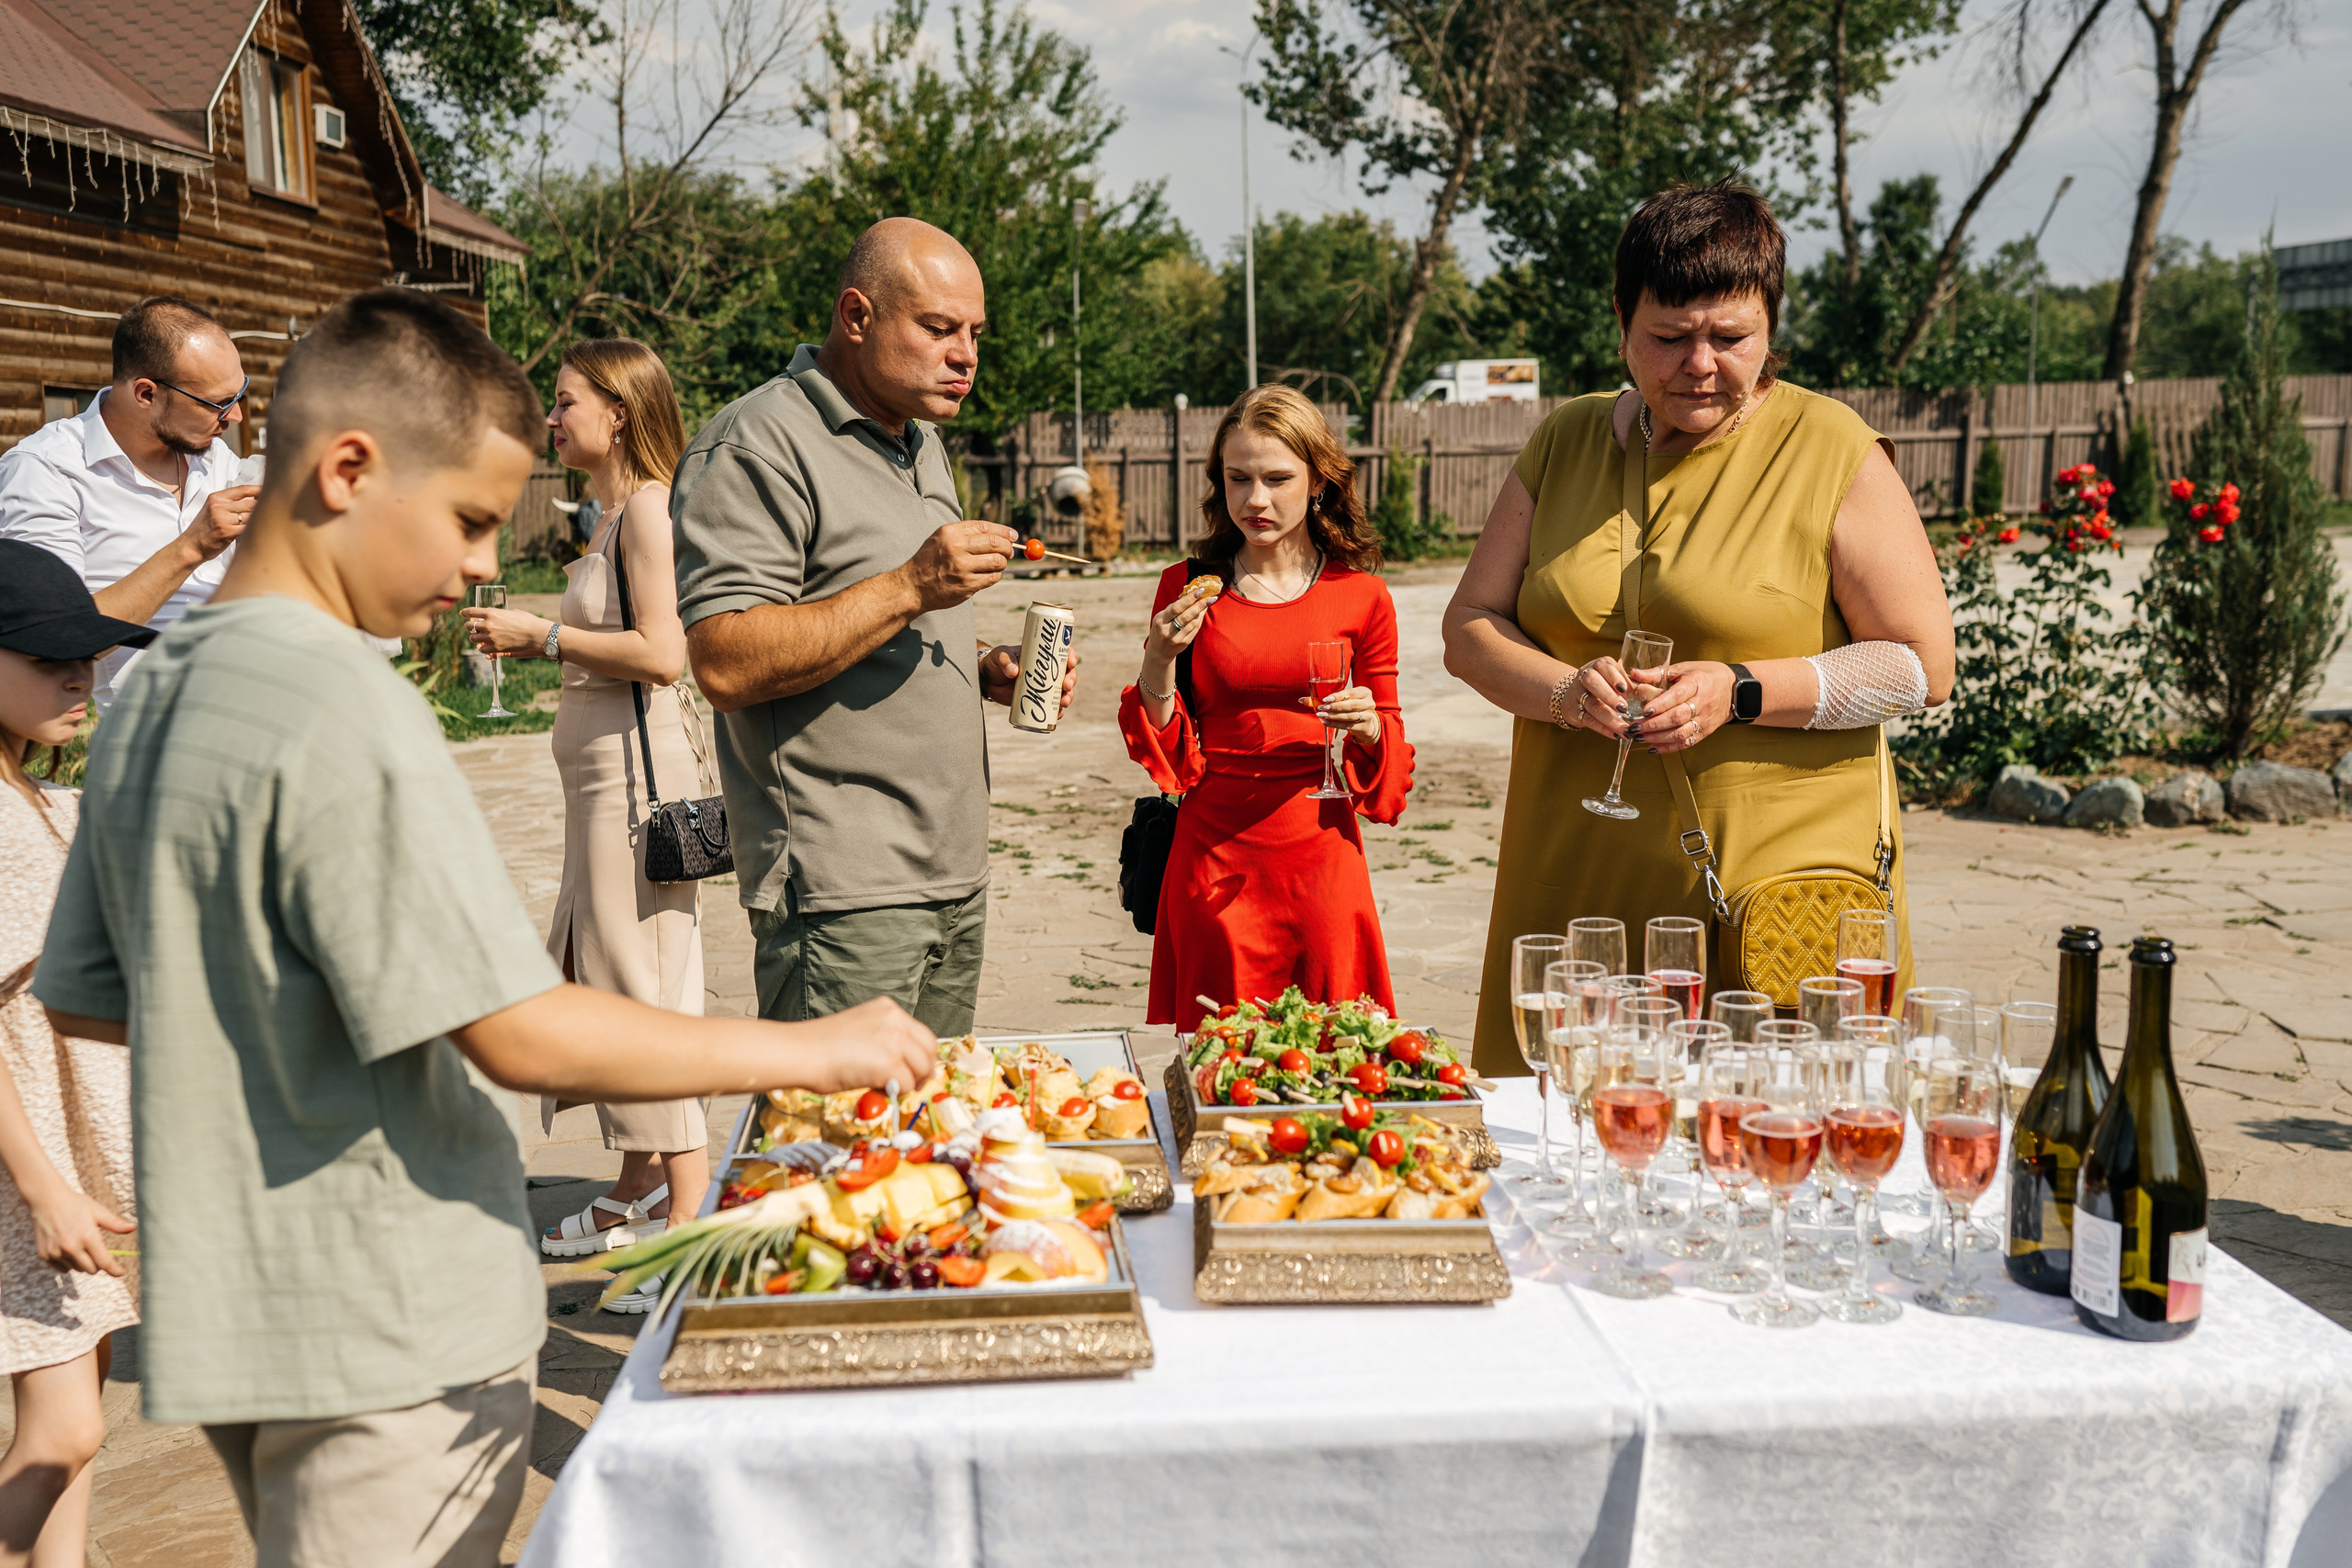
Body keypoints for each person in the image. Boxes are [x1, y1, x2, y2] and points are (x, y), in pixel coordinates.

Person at [31, 289, 936, 1566]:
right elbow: (520, 1030)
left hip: (240, 1313)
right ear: (350, 468)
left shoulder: (159, 686)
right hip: (396, 1317)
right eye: (464, 519)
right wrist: (814, 1049)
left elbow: (88, 999)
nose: (474, 565)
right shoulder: (342, 697)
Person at [1442, 180, 1955, 1075]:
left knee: (1763, 1153)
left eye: (1730, 338)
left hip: (1762, 894)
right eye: (1668, 339)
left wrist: (1743, 690)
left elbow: (1921, 667)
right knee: (1576, 1164)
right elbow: (1469, 626)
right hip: (1573, 879)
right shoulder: (1564, 442)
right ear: (1621, 323)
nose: (1700, 364)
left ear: (1771, 328)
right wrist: (1563, 692)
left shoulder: (1830, 448)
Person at [674, 217, 1073, 1037]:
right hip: (843, 893)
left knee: (930, 1147)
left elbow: (891, 619)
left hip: (953, 875)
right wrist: (912, 584)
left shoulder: (919, 442)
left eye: (974, 333)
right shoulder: (757, 445)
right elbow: (724, 659)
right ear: (856, 317)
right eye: (937, 328)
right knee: (838, 1153)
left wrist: (982, 663)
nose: (965, 354)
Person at [464, 340, 711, 1297]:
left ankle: (688, 1226)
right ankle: (638, 1183)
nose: (552, 419)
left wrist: (545, 635)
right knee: (608, 979)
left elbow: (662, 653)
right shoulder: (607, 516)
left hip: (637, 794)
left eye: (565, 403)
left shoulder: (648, 510)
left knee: (645, 996)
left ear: (618, 410)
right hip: (597, 787)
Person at [1119, 386, 1413, 1033]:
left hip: (1323, 858)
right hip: (1215, 860)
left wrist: (1368, 725)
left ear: (1317, 482)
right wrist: (1158, 660)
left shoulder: (1361, 595)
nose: (1256, 499)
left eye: (1277, 479)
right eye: (1238, 478)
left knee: (1339, 1068)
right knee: (1222, 1070)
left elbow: (1389, 767)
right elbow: (1164, 755)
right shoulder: (1189, 585)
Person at [0, 542, 150, 1568]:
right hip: (28, 1174)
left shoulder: (41, 800)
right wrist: (44, 1185)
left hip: (68, 1166)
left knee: (78, 1429)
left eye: (88, 655)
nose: (78, 674)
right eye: (48, 656)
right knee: (64, 1431)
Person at [0, 298, 258, 709]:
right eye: (218, 403)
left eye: (240, 393)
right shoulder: (47, 471)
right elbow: (54, 638)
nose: (237, 417)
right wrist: (190, 548)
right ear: (145, 394)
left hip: (265, 688)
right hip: (161, 722)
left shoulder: (207, 450)